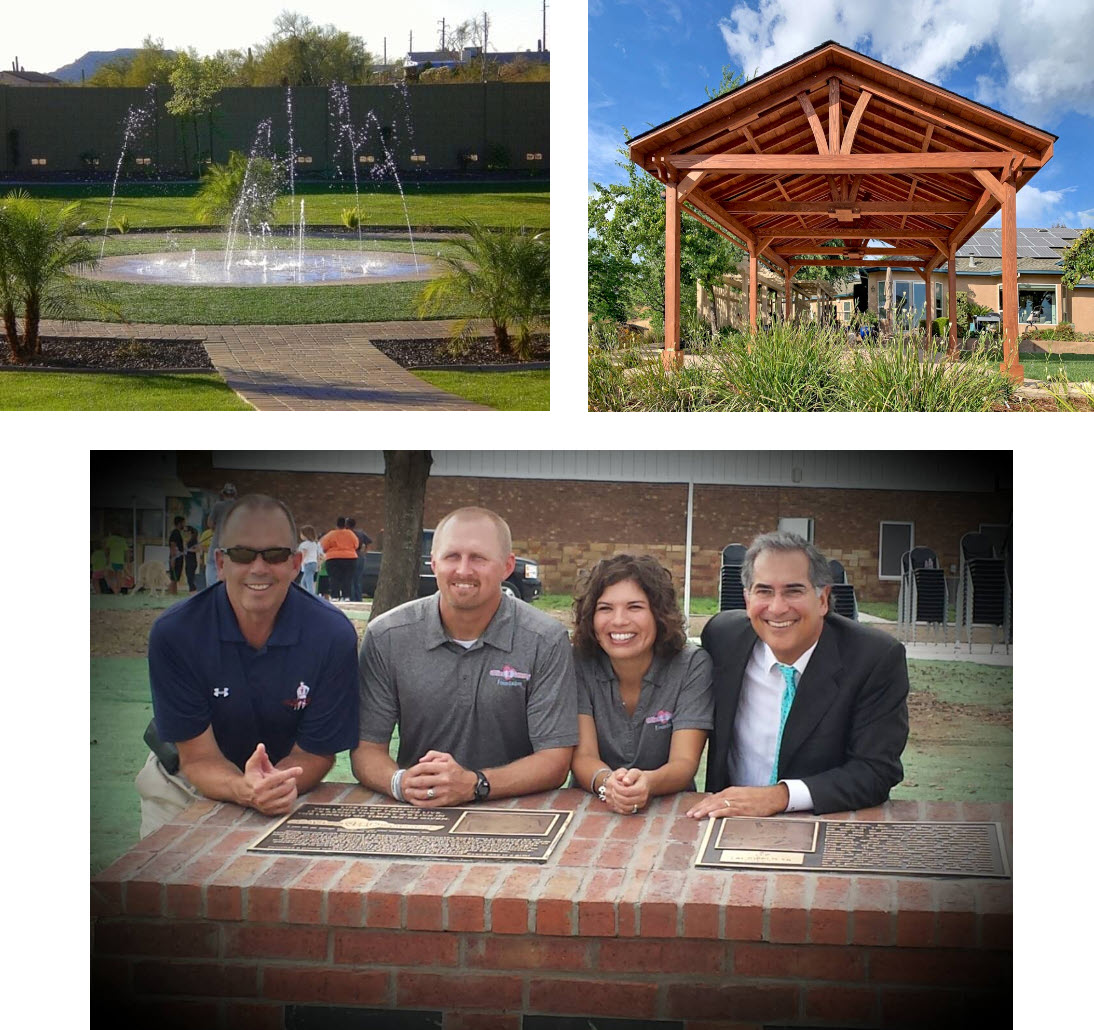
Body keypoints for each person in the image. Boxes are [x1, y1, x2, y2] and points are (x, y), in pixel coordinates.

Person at [136, 494, 359, 838]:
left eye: (275, 555)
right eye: (242, 554)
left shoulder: (332, 634)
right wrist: (245, 788)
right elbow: (196, 759)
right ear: (221, 563)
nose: (259, 568)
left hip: (285, 782)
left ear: (296, 562)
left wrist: (271, 784)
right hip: (185, 783)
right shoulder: (176, 633)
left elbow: (315, 753)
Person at [353, 506, 578, 806]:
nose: (463, 570)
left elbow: (555, 760)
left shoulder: (545, 640)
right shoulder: (387, 636)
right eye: (451, 557)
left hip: (517, 810)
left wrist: (475, 784)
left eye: (478, 558)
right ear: (433, 563)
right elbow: (366, 749)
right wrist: (402, 783)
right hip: (420, 807)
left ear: (507, 566)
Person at [687, 531, 909, 820]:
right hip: (726, 822)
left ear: (823, 599)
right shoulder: (722, 637)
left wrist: (780, 796)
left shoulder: (874, 658)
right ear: (747, 598)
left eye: (794, 591)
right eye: (764, 591)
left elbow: (876, 770)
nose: (777, 608)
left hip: (821, 826)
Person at [570, 554, 713, 815]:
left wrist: (648, 783)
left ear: (659, 614)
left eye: (635, 607)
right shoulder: (579, 662)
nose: (619, 620)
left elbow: (683, 763)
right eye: (605, 608)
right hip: (592, 805)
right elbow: (583, 756)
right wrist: (608, 784)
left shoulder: (692, 665)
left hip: (670, 808)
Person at [203, 482, 237, 587]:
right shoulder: (238, 506)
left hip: (217, 542)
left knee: (212, 564)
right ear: (234, 494)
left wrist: (215, 528)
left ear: (223, 494)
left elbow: (210, 523)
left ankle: (212, 590)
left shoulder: (218, 505)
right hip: (234, 544)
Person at [319, 517, 359, 602]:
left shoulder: (331, 534)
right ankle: (346, 596)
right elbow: (356, 545)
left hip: (333, 558)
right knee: (347, 578)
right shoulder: (350, 534)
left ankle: (335, 596)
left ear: (336, 525)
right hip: (350, 558)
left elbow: (324, 545)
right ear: (345, 525)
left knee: (334, 577)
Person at [347, 517, 372, 602]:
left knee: (350, 579)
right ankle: (358, 598)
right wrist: (364, 552)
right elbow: (369, 542)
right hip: (360, 556)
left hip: (350, 556)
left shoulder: (347, 534)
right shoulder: (360, 533)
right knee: (357, 579)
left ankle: (352, 598)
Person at [297, 525, 322, 595]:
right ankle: (307, 594)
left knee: (308, 581)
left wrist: (301, 562)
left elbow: (304, 554)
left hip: (307, 563)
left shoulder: (304, 544)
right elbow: (318, 555)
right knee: (303, 582)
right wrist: (319, 564)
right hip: (314, 563)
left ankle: (311, 594)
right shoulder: (315, 544)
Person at [168, 516, 185, 595]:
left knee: (176, 577)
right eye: (183, 523)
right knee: (173, 577)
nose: (184, 525)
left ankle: (174, 593)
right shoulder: (175, 533)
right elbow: (172, 546)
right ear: (179, 523)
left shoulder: (178, 533)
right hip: (175, 558)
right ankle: (171, 593)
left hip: (179, 557)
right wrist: (173, 559)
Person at [183, 525, 199, 592]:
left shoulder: (194, 539)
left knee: (190, 579)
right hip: (188, 561)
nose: (184, 532)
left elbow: (197, 549)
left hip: (192, 562)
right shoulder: (187, 540)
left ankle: (193, 592)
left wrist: (188, 550)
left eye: (185, 531)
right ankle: (192, 592)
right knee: (189, 578)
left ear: (189, 532)